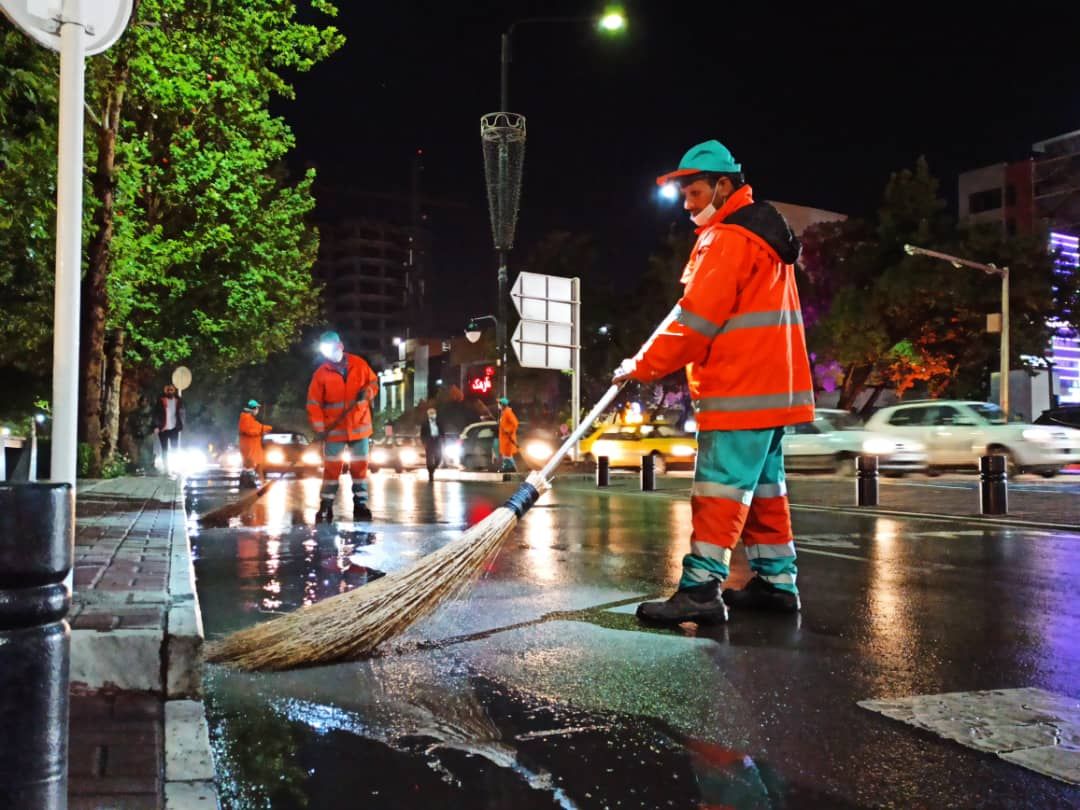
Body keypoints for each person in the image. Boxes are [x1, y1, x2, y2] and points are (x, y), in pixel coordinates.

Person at [615, 139, 813, 624]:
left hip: (739, 389)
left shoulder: (727, 239)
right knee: (766, 492)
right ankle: (776, 583)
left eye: (696, 193)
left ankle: (701, 589)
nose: (688, 205)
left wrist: (641, 365)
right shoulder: (763, 237)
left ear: (724, 186)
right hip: (772, 390)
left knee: (719, 492)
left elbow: (695, 320)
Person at [307, 331, 379, 523]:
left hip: (360, 427)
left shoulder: (359, 364)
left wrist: (368, 392)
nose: (328, 354)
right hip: (334, 431)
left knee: (360, 468)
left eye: (330, 349)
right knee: (331, 469)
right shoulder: (321, 374)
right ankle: (326, 505)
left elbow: (374, 382)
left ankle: (361, 505)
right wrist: (320, 429)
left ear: (339, 346)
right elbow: (314, 404)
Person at [237, 399, 272, 488]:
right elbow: (250, 430)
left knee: (258, 465)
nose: (257, 411)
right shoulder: (246, 418)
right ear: (253, 408)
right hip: (249, 447)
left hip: (253, 447)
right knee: (249, 466)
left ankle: (261, 482)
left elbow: (256, 427)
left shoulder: (250, 419)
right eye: (257, 408)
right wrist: (263, 429)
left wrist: (265, 428)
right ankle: (248, 483)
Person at [153, 383, 185, 474]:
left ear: (174, 391)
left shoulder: (178, 401)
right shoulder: (161, 400)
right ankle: (166, 468)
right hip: (163, 428)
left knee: (175, 448)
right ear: (165, 391)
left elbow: (182, 413)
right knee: (164, 449)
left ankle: (175, 468)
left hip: (174, 428)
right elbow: (156, 413)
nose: (170, 391)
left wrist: (181, 424)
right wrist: (156, 426)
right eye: (168, 390)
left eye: (172, 390)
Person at [419, 406, 445, 482]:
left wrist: (443, 440)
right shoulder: (425, 423)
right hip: (429, 442)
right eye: (430, 413)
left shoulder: (439, 422)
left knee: (439, 457)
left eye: (433, 413)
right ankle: (430, 474)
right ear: (428, 414)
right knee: (429, 459)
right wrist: (423, 442)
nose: (432, 414)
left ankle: (433, 468)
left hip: (437, 441)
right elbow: (422, 434)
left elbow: (442, 431)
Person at [497, 397, 519, 473]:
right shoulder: (504, 413)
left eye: (499, 404)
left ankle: (515, 470)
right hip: (505, 440)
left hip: (508, 440)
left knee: (508, 456)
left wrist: (508, 430)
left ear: (502, 405)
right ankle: (509, 469)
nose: (498, 406)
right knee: (506, 456)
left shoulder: (508, 413)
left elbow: (515, 423)